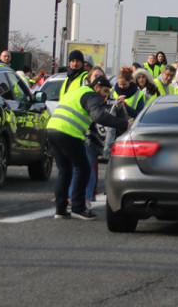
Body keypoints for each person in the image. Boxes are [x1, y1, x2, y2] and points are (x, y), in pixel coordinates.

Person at [47, 75, 129, 220]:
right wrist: (123, 124)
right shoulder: (92, 95)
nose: (106, 95)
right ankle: (78, 208)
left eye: (108, 92)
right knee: (83, 168)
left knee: (64, 170)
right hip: (68, 133)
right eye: (104, 91)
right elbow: (98, 116)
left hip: (52, 130)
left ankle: (60, 209)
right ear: (96, 87)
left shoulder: (77, 92)